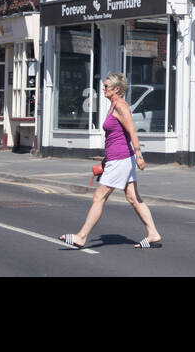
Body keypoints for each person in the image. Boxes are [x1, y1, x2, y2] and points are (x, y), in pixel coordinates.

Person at [60, 73, 162, 249]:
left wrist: (139, 155)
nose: (103, 88)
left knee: (99, 196)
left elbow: (132, 131)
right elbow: (115, 136)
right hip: (117, 158)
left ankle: (81, 236)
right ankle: (153, 233)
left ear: (116, 89)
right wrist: (106, 160)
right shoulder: (113, 105)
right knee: (132, 197)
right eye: (104, 85)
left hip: (121, 159)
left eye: (106, 86)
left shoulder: (121, 106)